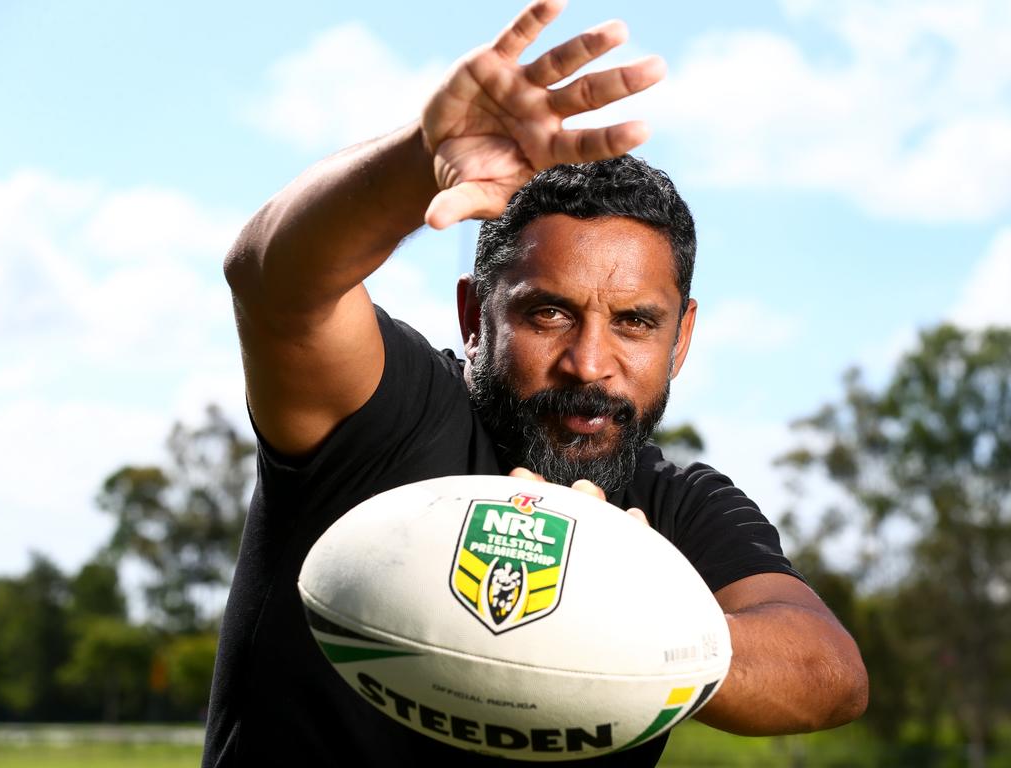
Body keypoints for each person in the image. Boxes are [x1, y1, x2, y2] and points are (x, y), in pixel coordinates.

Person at [203, 1, 868, 765]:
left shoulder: (674, 513)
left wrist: (646, 622)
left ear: (680, 339)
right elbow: (274, 281)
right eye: (548, 314)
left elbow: (830, 673)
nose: (589, 363)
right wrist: (418, 160)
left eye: (634, 323)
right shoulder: (388, 417)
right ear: (474, 317)